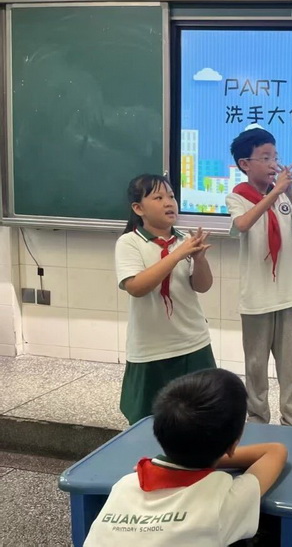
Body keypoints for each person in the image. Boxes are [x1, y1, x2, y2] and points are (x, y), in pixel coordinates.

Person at [84, 368, 288, 546]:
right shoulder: (221, 504)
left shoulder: (125, 486)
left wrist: (182, 456)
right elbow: (275, 451)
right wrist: (212, 452)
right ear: (234, 443)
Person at [225, 128, 292, 426]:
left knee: (291, 366)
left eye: (275, 157)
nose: (273, 163)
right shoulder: (237, 197)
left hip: (290, 294)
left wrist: (289, 193)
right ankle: (257, 419)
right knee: (256, 366)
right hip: (257, 298)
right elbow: (243, 224)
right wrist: (275, 193)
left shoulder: (282, 196)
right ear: (244, 164)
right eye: (265, 158)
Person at [115, 174, 216, 425]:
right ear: (139, 208)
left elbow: (202, 286)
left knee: (202, 418)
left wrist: (199, 260)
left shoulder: (184, 241)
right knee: (149, 422)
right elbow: (136, 287)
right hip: (151, 348)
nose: (169, 202)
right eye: (158, 198)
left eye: (171, 196)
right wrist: (177, 255)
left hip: (193, 342)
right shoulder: (129, 242)